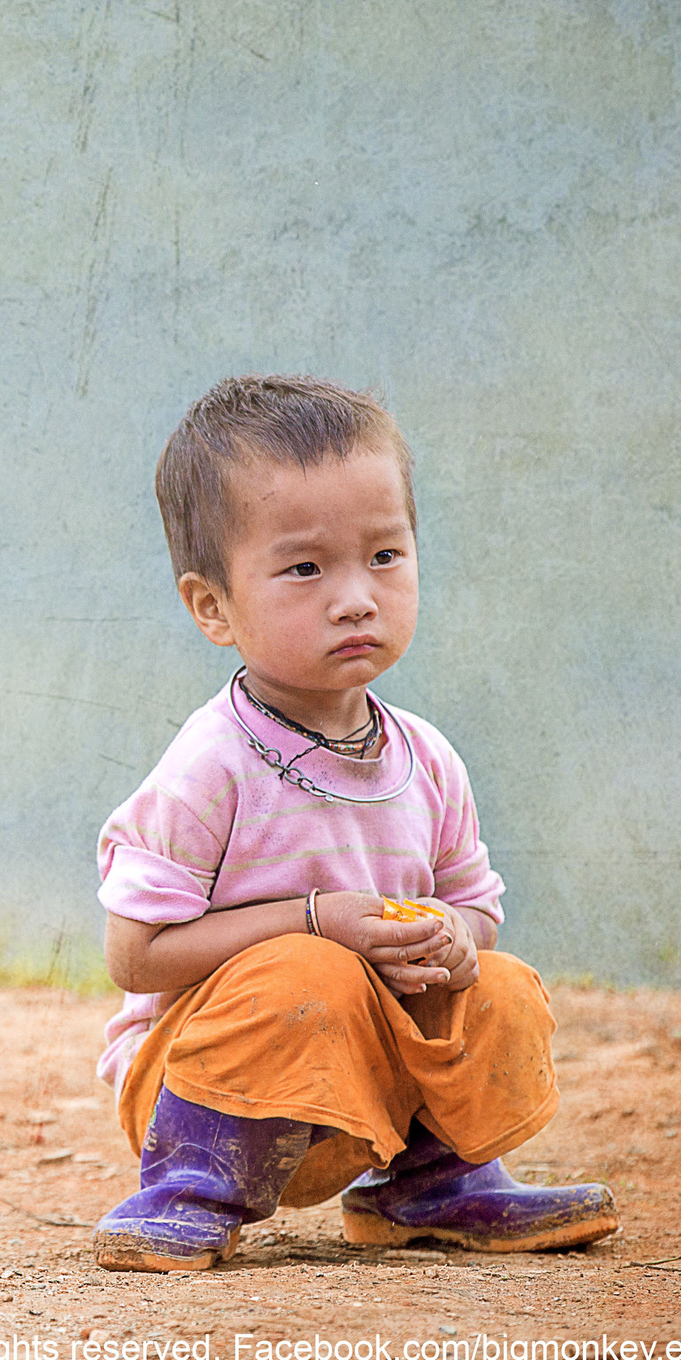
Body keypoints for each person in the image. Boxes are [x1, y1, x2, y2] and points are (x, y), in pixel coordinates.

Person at [90, 374, 617, 1272]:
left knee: (494, 983)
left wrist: (453, 936)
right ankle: (181, 1192)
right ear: (213, 606)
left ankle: (434, 1183)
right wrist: (313, 920)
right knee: (311, 972)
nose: (355, 597)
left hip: (367, 1084)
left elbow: (476, 907)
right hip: (207, 1088)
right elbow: (134, 955)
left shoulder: (427, 758)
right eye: (304, 568)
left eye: (384, 556)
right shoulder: (212, 763)